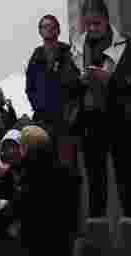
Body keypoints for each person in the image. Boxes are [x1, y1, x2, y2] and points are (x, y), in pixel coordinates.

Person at [71, 0, 131, 239]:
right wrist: (79, 82)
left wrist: (112, 79)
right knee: (96, 187)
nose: (93, 28)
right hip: (90, 125)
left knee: (127, 185)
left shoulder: (126, 46)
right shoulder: (75, 49)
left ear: (107, 21)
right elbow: (65, 86)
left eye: (97, 24)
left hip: (122, 124)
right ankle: (97, 242)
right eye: (88, 24)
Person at [0, 126, 78, 255]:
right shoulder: (61, 171)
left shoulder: (36, 175)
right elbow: (1, 191)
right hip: (61, 245)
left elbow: (12, 211)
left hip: (38, 247)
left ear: (25, 149)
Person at [25, 14, 82, 171]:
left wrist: (72, 111)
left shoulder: (69, 53)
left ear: (58, 30)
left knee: (67, 167)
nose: (48, 29)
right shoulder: (36, 56)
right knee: (45, 166)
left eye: (51, 26)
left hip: (66, 121)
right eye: (44, 26)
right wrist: (38, 106)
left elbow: (78, 84)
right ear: (40, 31)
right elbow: (30, 88)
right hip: (44, 120)